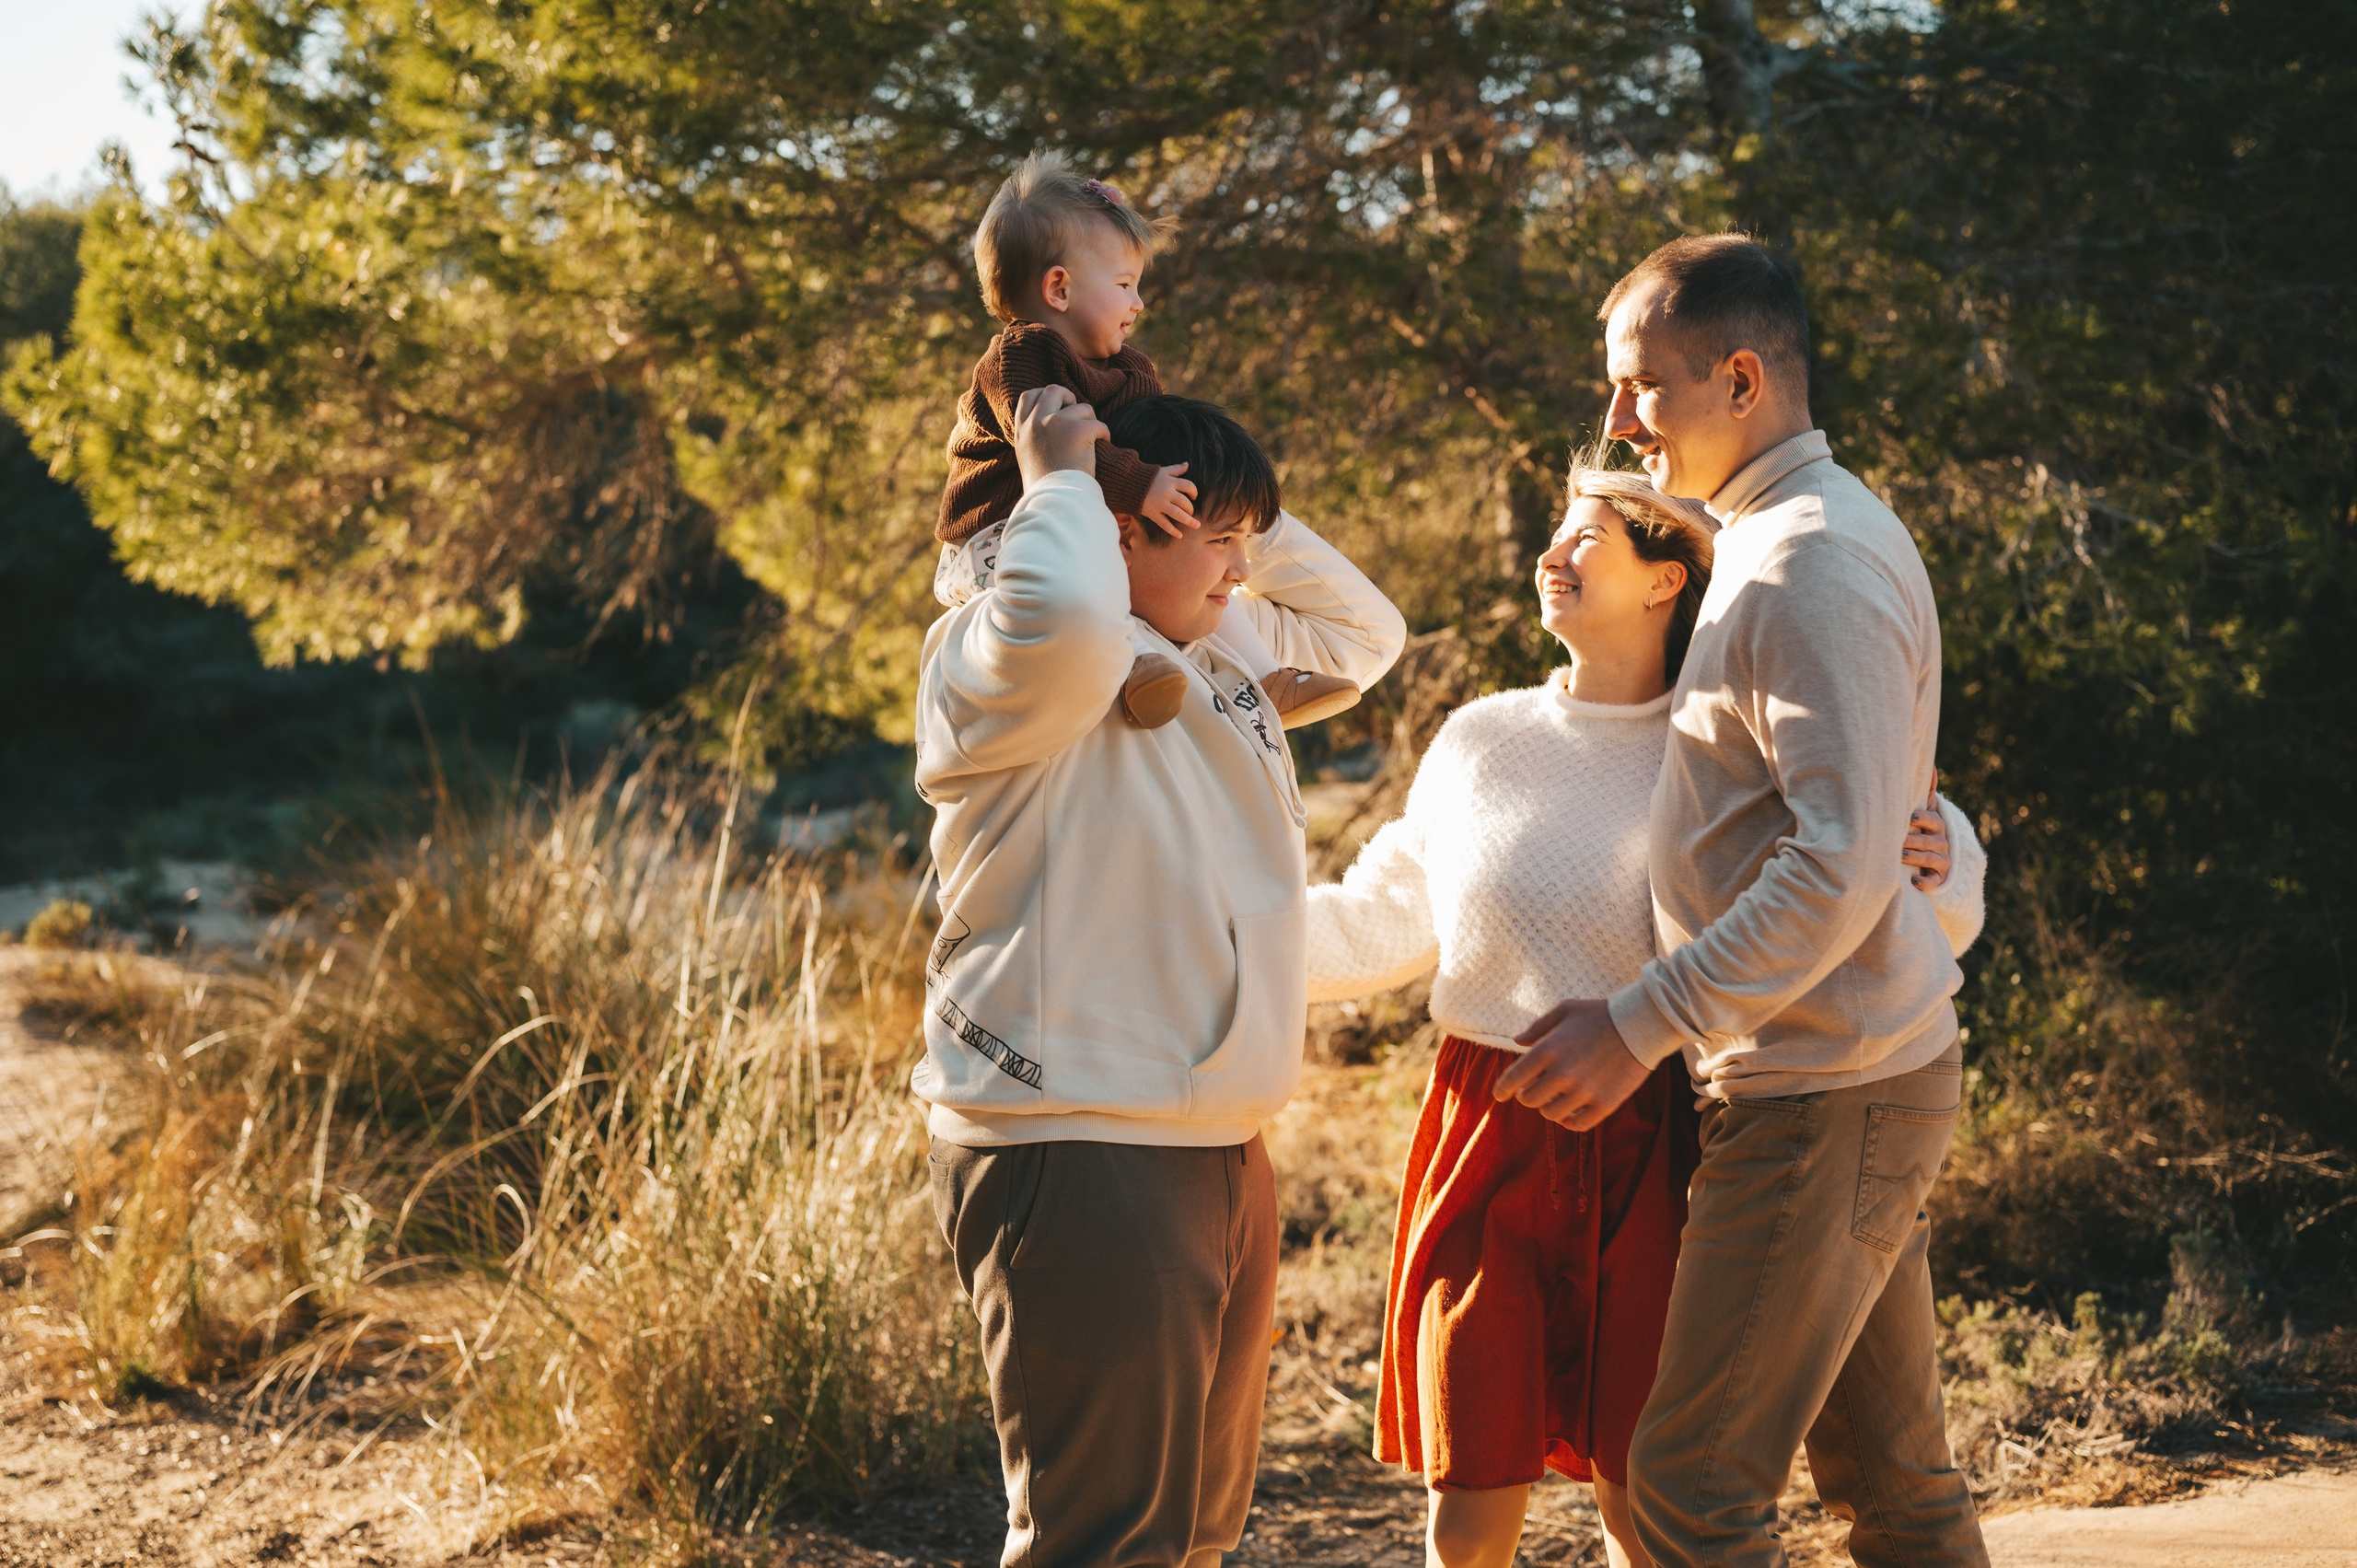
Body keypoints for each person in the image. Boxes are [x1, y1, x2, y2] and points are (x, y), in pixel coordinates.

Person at [1306, 458, 1986, 1568]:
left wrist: (1948, 856)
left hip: (1666, 1128)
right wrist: (1211, 930)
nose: (1550, 555)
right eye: (1554, 536)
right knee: (1469, 1496)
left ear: (1668, 580)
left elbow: (1868, 865)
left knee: (1651, 1490)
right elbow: (1381, 915)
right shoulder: (1480, 738)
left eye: (1586, 540)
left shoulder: (1724, 738)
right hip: (1490, 1131)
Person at [1493, 233, 1993, 1567]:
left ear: (1740, 378)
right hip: (1845, 1075)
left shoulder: (1805, 568)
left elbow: (1837, 863)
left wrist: (1644, 1018)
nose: (1617, 419)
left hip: (1825, 1091)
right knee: (1894, 1485)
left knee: (1685, 1495)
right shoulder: (1778, 540)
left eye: (1640, 386)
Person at [916, 387, 1407, 1568]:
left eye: (1246, 540)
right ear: (1117, 527)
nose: (1242, 572)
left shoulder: (1205, 653)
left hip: (1213, 1144)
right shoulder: (1014, 650)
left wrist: (1207, 489)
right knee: (1104, 1546)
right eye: (1217, 536)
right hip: (1080, 1139)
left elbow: (1363, 636)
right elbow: (1067, 619)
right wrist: (1067, 479)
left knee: (1188, 1539)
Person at [933, 150, 1360, 730]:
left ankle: (1267, 680)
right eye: (1124, 283)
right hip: (997, 535)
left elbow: (1145, 443)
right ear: (1058, 288)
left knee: (1197, 556)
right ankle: (1131, 670)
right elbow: (1056, 447)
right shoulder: (1020, 357)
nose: (1138, 302)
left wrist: (1199, 497)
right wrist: (1140, 483)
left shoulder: (1130, 368)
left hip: (1077, 514)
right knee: (1091, 573)